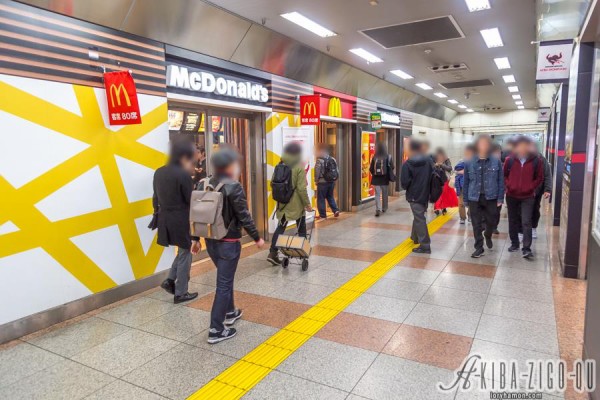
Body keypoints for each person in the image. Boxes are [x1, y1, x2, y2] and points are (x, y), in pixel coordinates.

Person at [201, 147, 265, 344]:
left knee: (225, 280)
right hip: (228, 243)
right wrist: (256, 237)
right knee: (224, 284)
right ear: (229, 165)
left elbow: (196, 211)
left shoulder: (203, 182)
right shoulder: (233, 186)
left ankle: (230, 311)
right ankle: (216, 329)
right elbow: (243, 215)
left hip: (210, 241)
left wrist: (195, 240)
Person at [152, 141, 201, 304]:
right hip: (181, 219)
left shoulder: (158, 172)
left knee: (182, 251)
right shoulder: (183, 174)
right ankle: (181, 292)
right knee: (186, 251)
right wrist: (196, 235)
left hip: (165, 218)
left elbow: (155, 198)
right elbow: (191, 201)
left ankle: (170, 280)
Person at [268, 142, 312, 265]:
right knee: (301, 228)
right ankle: (303, 254)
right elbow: (302, 189)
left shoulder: (279, 165)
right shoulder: (298, 167)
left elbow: (273, 183)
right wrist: (307, 204)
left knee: (280, 227)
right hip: (297, 205)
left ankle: (272, 252)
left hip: (283, 204)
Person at [463, 136, 505, 258]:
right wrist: (465, 199)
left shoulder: (495, 161)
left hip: (491, 197)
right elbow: (466, 182)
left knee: (491, 221)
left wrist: (500, 198)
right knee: (476, 224)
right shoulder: (469, 161)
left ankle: (488, 234)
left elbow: (500, 181)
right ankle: (479, 247)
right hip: (474, 197)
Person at [504, 136, 544, 259]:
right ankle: (514, 243)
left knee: (526, 221)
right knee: (513, 220)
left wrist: (531, 187)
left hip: (528, 196)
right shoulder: (509, 160)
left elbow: (540, 177)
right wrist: (509, 186)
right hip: (512, 195)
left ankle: (526, 248)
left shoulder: (536, 160)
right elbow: (504, 175)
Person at [401, 140, 434, 254]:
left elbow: (404, 183)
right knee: (418, 216)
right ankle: (415, 237)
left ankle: (425, 245)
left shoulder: (408, 164)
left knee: (419, 219)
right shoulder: (429, 161)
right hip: (425, 193)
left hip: (414, 195)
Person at [531, 141, 552, 239]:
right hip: (523, 191)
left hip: (537, 191)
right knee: (521, 211)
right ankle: (521, 230)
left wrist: (547, 189)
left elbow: (547, 175)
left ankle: (533, 228)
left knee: (535, 209)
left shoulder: (542, 160)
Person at [314, 144, 340, 220]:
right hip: (332, 181)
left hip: (322, 182)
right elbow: (337, 170)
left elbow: (317, 172)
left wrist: (316, 180)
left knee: (321, 198)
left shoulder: (319, 160)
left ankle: (322, 215)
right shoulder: (332, 159)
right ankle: (335, 210)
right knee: (330, 196)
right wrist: (335, 179)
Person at [369, 142, 395, 217]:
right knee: (384, 194)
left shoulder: (374, 157)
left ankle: (378, 209)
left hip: (376, 179)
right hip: (385, 179)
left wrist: (376, 173)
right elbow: (392, 167)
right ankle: (384, 208)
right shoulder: (388, 156)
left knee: (377, 194)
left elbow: (371, 169)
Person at [454, 144, 475, 224]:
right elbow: (455, 171)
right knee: (461, 203)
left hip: (472, 185)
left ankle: (470, 215)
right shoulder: (461, 161)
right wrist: (461, 171)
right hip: (462, 185)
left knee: (472, 202)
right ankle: (462, 217)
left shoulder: (476, 161)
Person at [433, 148, 457, 215]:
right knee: (436, 194)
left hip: (444, 179)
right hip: (436, 179)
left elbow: (450, 168)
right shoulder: (434, 159)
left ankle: (443, 207)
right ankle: (436, 208)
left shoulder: (446, 159)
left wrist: (441, 165)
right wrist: (435, 165)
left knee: (443, 194)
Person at [491, 143, 504, 235]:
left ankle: (494, 227)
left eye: (499, 153)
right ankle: (488, 226)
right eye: (495, 153)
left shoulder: (504, 164)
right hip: (489, 191)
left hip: (499, 191)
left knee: (497, 210)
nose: (497, 154)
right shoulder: (487, 163)